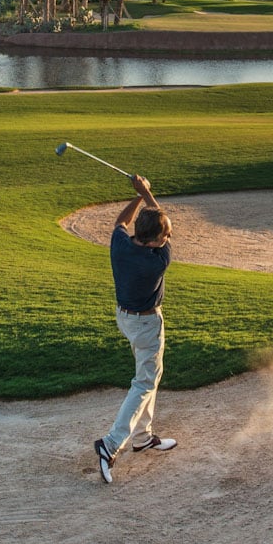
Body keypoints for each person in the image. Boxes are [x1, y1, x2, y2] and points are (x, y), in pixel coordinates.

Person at [94, 175, 180, 483]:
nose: (167, 240)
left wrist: (140, 197)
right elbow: (163, 230)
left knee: (149, 376)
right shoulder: (158, 260)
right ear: (157, 241)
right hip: (146, 324)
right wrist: (147, 193)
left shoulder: (120, 243)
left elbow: (120, 221)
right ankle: (111, 443)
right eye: (164, 237)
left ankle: (143, 436)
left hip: (125, 318)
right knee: (144, 382)